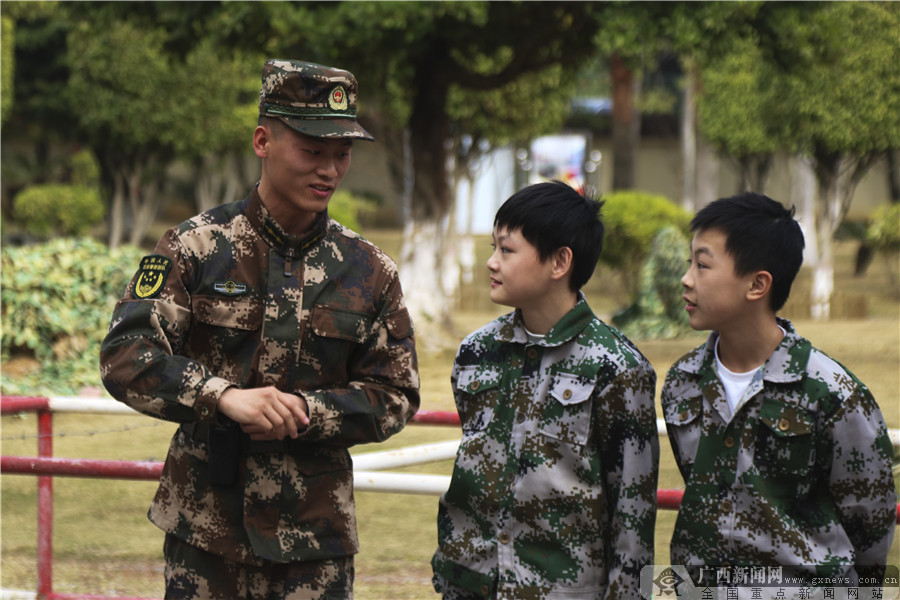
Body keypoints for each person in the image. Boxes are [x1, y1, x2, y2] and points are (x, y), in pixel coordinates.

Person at [100, 59, 420, 599]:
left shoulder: (368, 270)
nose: (329, 171)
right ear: (262, 140)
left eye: (342, 155)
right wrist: (221, 397)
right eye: (312, 151)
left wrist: (306, 414)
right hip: (206, 536)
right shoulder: (194, 248)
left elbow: (396, 393)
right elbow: (127, 355)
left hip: (314, 543)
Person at [431, 181, 660, 599]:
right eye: (492, 247)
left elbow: (632, 515)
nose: (491, 263)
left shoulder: (617, 367)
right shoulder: (476, 352)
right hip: (470, 585)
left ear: (559, 262)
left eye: (506, 250)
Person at [662, 192, 895, 590]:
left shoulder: (833, 394)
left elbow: (870, 524)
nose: (686, 279)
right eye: (690, 263)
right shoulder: (682, 384)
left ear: (757, 284)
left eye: (702, 265)